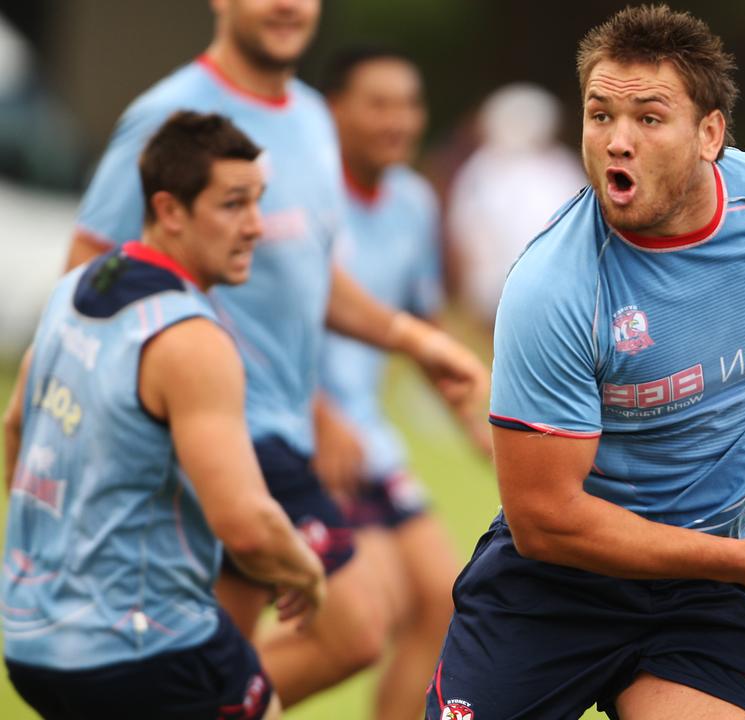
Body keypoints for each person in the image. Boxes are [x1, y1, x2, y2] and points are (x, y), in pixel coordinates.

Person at [427, 6, 745, 719]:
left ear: (709, 133)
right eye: (599, 115)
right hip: (558, 583)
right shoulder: (555, 287)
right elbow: (545, 518)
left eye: (647, 118)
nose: (616, 141)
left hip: (706, 591)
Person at [63, 0, 490, 708]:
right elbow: (84, 270)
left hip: (276, 431)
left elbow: (309, 274)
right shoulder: (169, 112)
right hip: (213, 437)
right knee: (353, 628)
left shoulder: (315, 119)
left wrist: (413, 338)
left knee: (226, 660)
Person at [2, 111, 325, 720]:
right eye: (233, 205)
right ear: (170, 210)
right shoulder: (190, 338)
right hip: (141, 645)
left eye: (258, 203)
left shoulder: (70, 291)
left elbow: (15, 427)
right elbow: (246, 525)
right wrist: (306, 571)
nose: (256, 227)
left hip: (29, 640)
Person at [305, 45, 464, 720]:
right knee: (361, 622)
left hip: (368, 438)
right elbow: (252, 323)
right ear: (332, 110)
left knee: (448, 600)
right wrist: (316, 416)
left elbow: (424, 330)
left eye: (409, 104)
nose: (398, 120)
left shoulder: (413, 202)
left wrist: (487, 421)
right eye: (378, 104)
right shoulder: (296, 196)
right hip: (295, 435)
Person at [447, 82, 586, 332]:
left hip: (554, 289)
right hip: (494, 290)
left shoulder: (560, 166)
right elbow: (464, 235)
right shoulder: (483, 169)